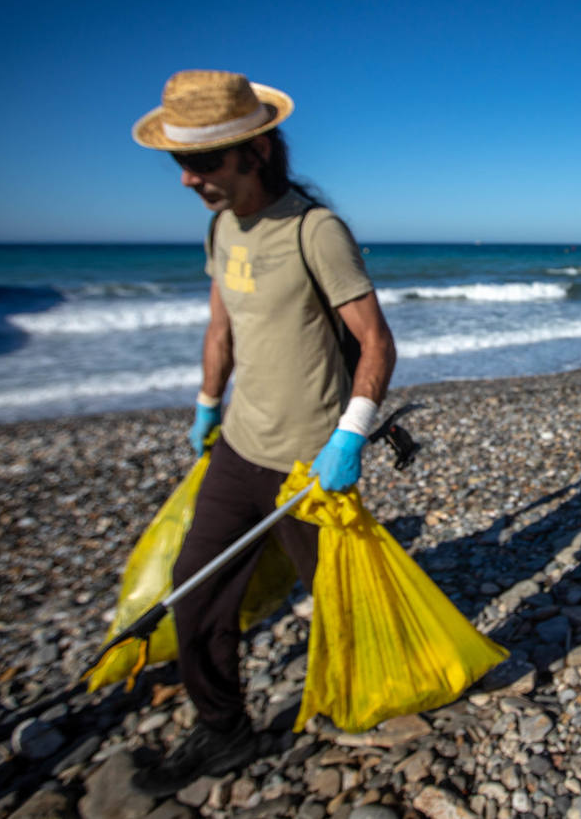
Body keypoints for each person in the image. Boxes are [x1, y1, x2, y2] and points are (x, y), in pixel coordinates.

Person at [129, 70, 396, 795]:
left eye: (204, 161)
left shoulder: (315, 230)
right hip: (240, 446)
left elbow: (376, 342)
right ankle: (223, 732)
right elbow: (222, 328)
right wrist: (207, 404)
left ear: (256, 150)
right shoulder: (220, 226)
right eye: (180, 163)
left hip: (309, 462)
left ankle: (363, 699)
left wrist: (352, 435)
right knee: (195, 589)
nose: (188, 179)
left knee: (336, 598)